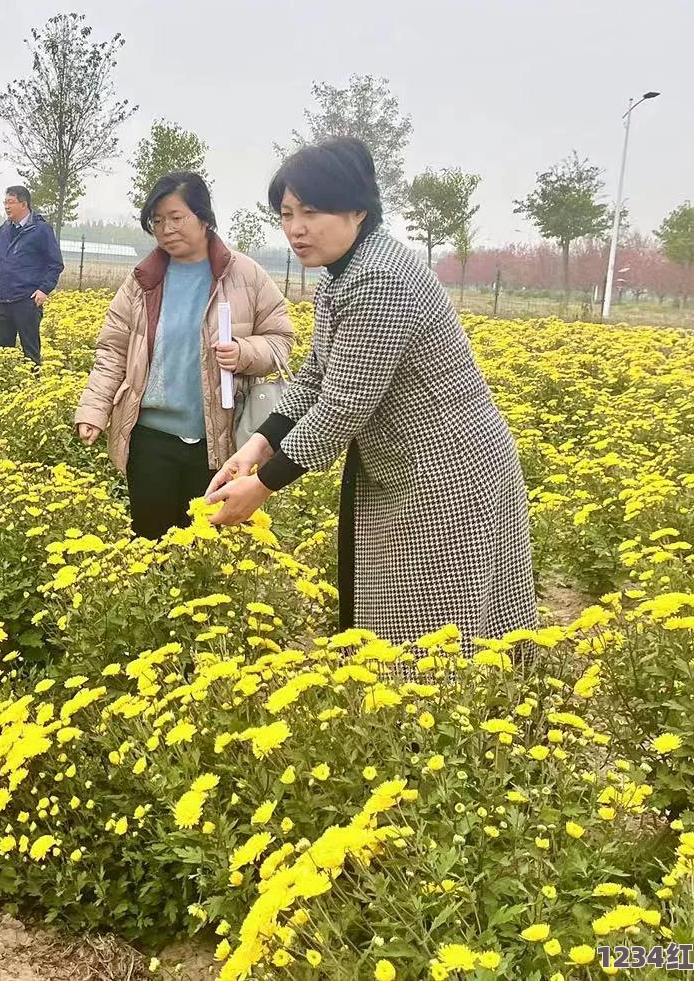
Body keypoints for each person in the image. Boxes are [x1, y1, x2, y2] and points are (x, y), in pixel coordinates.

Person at [204, 138, 537, 646]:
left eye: (312, 211)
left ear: (358, 209)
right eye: (287, 213)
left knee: (436, 634)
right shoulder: (346, 274)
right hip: (411, 468)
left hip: (446, 475)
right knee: (405, 620)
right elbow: (317, 377)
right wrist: (257, 444)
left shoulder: (379, 277)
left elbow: (345, 403)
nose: (295, 228)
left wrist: (263, 484)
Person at [74, 172, 294, 540]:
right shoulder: (144, 279)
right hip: (149, 438)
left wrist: (243, 352)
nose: (166, 229)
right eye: (157, 221)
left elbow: (281, 340)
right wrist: (94, 410)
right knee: (152, 543)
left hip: (217, 440)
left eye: (176, 218)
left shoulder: (245, 275)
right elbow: (113, 350)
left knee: (207, 545)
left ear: (204, 218)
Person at [0, 185, 64, 366]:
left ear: (24, 204)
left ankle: (32, 386)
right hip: (3, 300)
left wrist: (44, 289)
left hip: (27, 299)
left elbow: (55, 263)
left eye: (11, 202)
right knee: (1, 352)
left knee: (30, 351)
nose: (6, 206)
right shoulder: (3, 230)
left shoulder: (40, 230)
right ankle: (5, 387)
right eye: (5, 202)